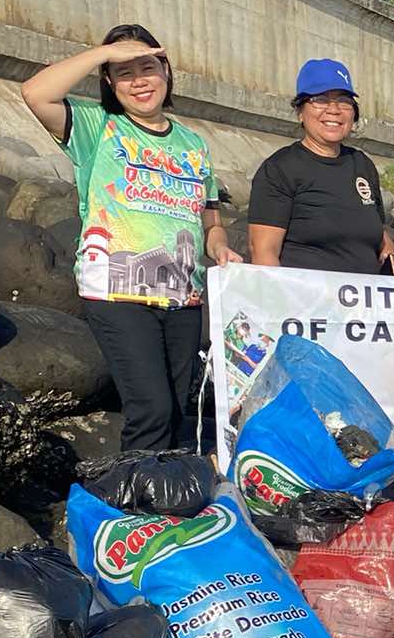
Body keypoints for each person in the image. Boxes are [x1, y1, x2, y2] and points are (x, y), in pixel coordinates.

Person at [22, 26, 238, 453]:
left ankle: (167, 499)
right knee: (150, 408)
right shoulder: (95, 127)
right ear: (107, 82)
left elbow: (210, 221)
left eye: (147, 67)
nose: (139, 81)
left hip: (183, 299)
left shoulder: (194, 144)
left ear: (167, 72)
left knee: (177, 411)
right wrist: (104, 51)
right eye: (123, 72)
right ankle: (136, 505)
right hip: (116, 294)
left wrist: (219, 247)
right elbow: (35, 93)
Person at [246, 58, 394, 275]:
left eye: (344, 100)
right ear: (300, 111)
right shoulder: (280, 169)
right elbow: (263, 252)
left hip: (362, 303)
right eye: (320, 100)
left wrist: (390, 253)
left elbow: (378, 230)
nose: (333, 110)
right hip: (306, 304)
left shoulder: (362, 165)